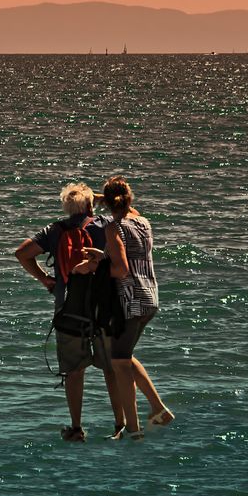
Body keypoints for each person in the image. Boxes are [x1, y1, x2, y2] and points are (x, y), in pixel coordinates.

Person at [14, 183, 118, 442]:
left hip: (68, 309)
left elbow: (22, 253)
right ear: (90, 204)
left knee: (74, 371)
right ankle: (120, 424)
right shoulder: (104, 224)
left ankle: (76, 428)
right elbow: (133, 214)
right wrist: (101, 198)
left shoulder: (54, 230)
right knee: (112, 368)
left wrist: (46, 280)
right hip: (103, 308)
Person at [98, 176, 174, 440]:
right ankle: (157, 410)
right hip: (149, 297)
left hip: (129, 301)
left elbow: (120, 269)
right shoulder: (142, 222)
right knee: (125, 357)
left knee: (119, 362)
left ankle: (133, 430)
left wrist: (97, 264)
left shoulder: (112, 228)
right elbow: (129, 217)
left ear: (107, 203)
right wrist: (106, 200)